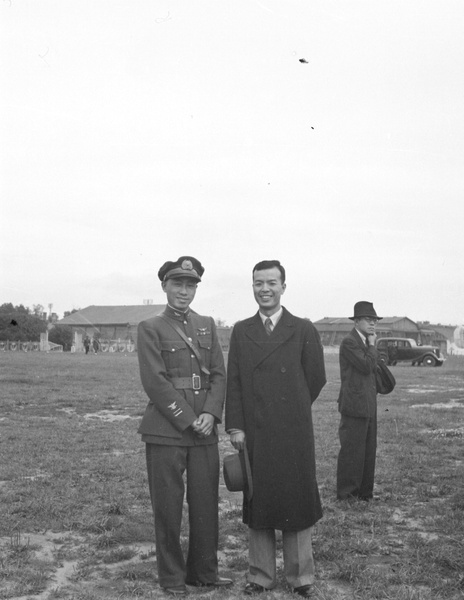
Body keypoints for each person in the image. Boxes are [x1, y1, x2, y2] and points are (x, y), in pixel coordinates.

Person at [225, 260, 326, 598]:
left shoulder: (303, 329)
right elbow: (235, 382)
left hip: (294, 431)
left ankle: (302, 577)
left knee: (297, 501)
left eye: (271, 282)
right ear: (252, 287)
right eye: (258, 283)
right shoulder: (241, 330)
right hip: (255, 432)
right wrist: (236, 426)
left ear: (284, 286)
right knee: (259, 500)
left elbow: (315, 378)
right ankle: (260, 574)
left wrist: (291, 407)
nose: (264, 289)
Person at [137, 256, 232, 596]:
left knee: (207, 504)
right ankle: (172, 578)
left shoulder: (207, 324)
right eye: (177, 284)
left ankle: (204, 572)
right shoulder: (150, 327)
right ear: (164, 286)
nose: (184, 291)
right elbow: (155, 381)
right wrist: (190, 419)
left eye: (190, 285)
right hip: (166, 431)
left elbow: (219, 375)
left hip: (205, 430)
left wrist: (210, 414)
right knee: (168, 507)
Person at [336, 301, 381, 501]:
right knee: (352, 450)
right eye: (368, 320)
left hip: (369, 403)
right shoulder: (350, 342)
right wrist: (372, 345)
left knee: (369, 449)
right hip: (354, 405)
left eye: (375, 321)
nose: (373, 324)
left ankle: (365, 493)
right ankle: (347, 494)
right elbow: (365, 365)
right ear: (356, 321)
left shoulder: (363, 341)